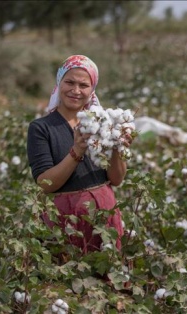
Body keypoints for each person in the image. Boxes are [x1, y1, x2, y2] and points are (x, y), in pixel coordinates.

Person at [27, 55, 133, 255]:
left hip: (105, 216)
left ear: (92, 90)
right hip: (66, 221)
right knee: (69, 280)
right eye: (69, 82)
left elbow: (116, 179)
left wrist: (118, 146)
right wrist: (77, 152)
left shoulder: (102, 123)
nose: (76, 91)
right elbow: (45, 183)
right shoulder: (41, 128)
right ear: (59, 84)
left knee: (108, 278)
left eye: (83, 85)